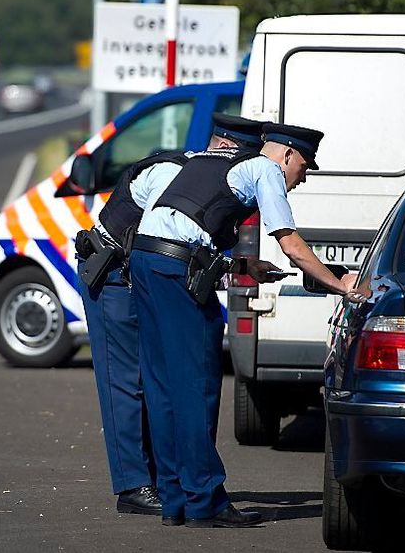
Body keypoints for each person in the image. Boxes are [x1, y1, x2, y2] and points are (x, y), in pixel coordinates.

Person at [129, 119, 359, 528]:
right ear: (286, 154)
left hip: (146, 261)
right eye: (303, 168)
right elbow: (290, 242)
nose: (301, 179)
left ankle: (174, 500)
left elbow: (187, 221)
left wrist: (245, 265)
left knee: (163, 384)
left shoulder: (209, 158)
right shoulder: (265, 168)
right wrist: (339, 284)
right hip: (174, 271)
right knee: (197, 386)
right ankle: (205, 503)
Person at [77, 114, 268, 516]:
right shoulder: (172, 173)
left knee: (156, 379)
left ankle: (169, 481)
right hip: (114, 275)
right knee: (126, 383)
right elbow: (168, 239)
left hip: (139, 275)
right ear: (227, 150)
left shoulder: (195, 173)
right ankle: (133, 486)